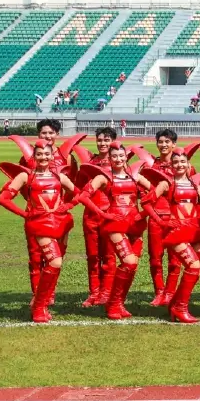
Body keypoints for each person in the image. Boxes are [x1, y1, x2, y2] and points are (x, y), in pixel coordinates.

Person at [0, 140, 89, 322]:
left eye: (47, 154)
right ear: (34, 157)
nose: (43, 157)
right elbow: (4, 198)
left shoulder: (59, 177)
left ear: (52, 156)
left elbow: (80, 193)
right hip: (40, 225)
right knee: (55, 262)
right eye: (39, 154)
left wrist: (69, 204)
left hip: (61, 223)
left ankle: (43, 303)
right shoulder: (25, 176)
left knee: (53, 265)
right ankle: (38, 307)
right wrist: (25, 214)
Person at [8, 120, 86, 305]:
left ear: (57, 135)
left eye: (51, 133)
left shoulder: (66, 157)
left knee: (56, 256)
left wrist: (64, 206)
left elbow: (73, 184)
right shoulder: (28, 158)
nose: (48, 136)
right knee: (36, 257)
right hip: (36, 215)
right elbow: (21, 185)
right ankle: (38, 296)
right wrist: (35, 206)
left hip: (60, 216)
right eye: (44, 133)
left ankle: (49, 292)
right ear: (38, 135)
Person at [72, 143, 152, 320]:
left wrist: (144, 212)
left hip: (134, 225)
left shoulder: (135, 176)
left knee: (132, 267)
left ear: (126, 157)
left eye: (121, 156)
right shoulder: (103, 178)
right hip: (115, 224)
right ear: (109, 158)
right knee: (129, 263)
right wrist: (102, 213)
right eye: (114, 156)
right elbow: (83, 196)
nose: (118, 159)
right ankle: (113, 304)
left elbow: (156, 192)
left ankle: (118, 303)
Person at [140, 153, 200, 323]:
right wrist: (161, 223)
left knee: (197, 270)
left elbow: (198, 210)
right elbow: (146, 202)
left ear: (188, 164)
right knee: (193, 266)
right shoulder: (166, 183)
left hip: (194, 230)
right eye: (175, 162)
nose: (179, 165)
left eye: (182, 162)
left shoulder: (194, 183)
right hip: (177, 232)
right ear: (171, 165)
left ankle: (174, 304)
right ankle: (180, 308)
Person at [76, 127, 117, 308]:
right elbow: (78, 188)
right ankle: (94, 293)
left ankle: (106, 293)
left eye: (106, 140)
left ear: (113, 142)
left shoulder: (118, 163)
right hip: (91, 215)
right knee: (93, 257)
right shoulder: (88, 164)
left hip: (111, 216)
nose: (102, 143)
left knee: (109, 257)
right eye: (100, 140)